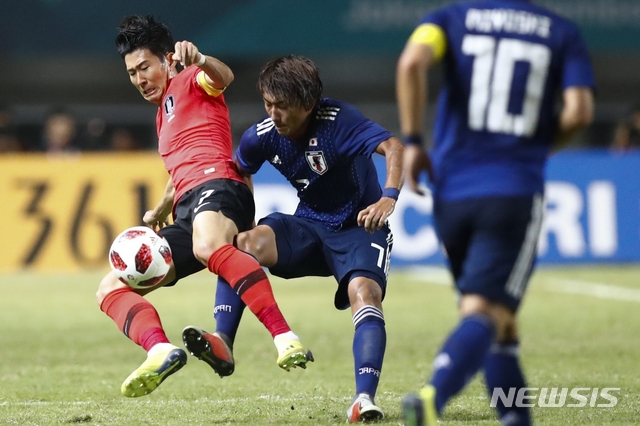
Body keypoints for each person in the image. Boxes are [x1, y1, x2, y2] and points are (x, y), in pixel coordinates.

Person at [396, 1, 595, 425]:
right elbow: (579, 110)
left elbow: (411, 63)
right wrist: (536, 146)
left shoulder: (449, 19)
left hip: (451, 194)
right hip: (511, 193)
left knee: (501, 324)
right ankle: (432, 399)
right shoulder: (560, 31)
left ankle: (515, 417)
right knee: (485, 311)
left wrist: (412, 140)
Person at [96, 15, 312, 398]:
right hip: (187, 209)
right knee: (110, 286)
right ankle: (158, 349)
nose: (139, 79)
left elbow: (223, 76)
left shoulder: (191, 80)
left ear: (167, 59)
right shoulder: (162, 115)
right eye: (131, 73)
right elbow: (180, 169)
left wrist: (200, 58)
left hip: (222, 187)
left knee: (208, 244)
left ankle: (284, 336)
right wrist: (161, 207)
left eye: (144, 67)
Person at [180, 55, 404, 423]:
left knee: (365, 295)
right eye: (268, 104)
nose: (274, 114)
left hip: (359, 229)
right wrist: (244, 219)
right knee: (241, 245)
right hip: (309, 225)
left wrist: (388, 197)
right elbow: (240, 169)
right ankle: (223, 340)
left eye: (282, 106)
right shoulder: (262, 136)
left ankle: (363, 399)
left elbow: (394, 147)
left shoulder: (340, 122)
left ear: (309, 102)